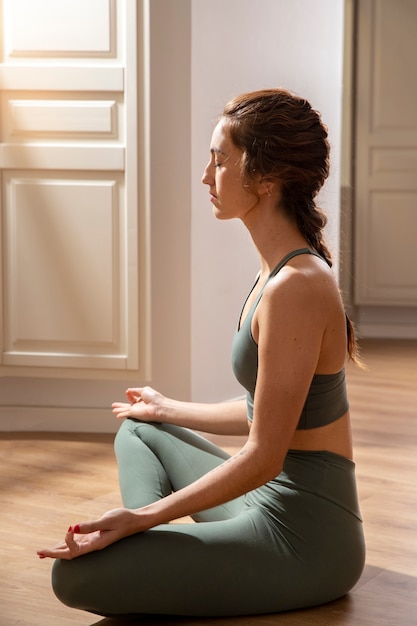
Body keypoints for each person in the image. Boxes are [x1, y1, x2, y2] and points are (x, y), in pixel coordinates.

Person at [38, 89, 365, 618]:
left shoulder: (296, 287)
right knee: (140, 427)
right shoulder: (277, 272)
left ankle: (142, 540)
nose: (206, 176)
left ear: (265, 178)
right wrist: (167, 409)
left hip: (305, 538)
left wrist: (142, 518)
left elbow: (265, 454)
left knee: (75, 577)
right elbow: (271, 412)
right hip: (265, 498)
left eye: (220, 160)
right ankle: (148, 547)